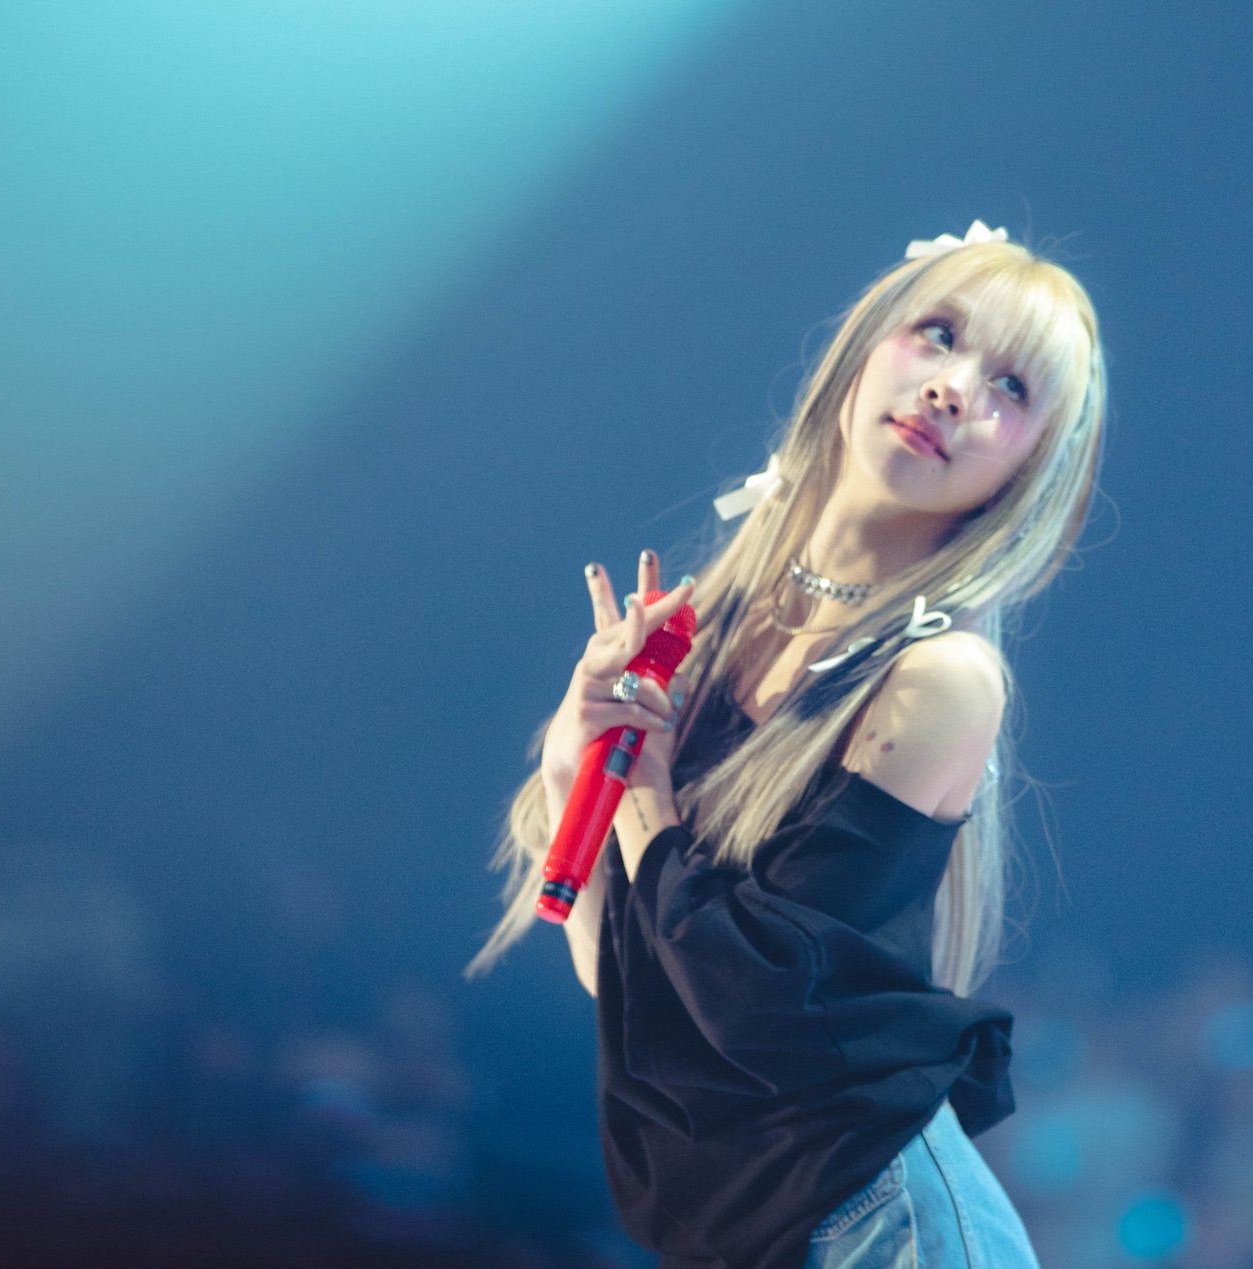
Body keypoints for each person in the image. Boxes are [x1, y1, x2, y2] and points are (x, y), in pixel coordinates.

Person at [469, 220, 1107, 1267]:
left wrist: (644, 784)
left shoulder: (939, 676)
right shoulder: (711, 622)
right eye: (938, 334)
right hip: (749, 1227)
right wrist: (578, 757)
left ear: (1027, 469)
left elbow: (751, 1005)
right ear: (863, 346)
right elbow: (638, 988)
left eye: (1011, 388)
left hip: (885, 1227)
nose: (953, 388)